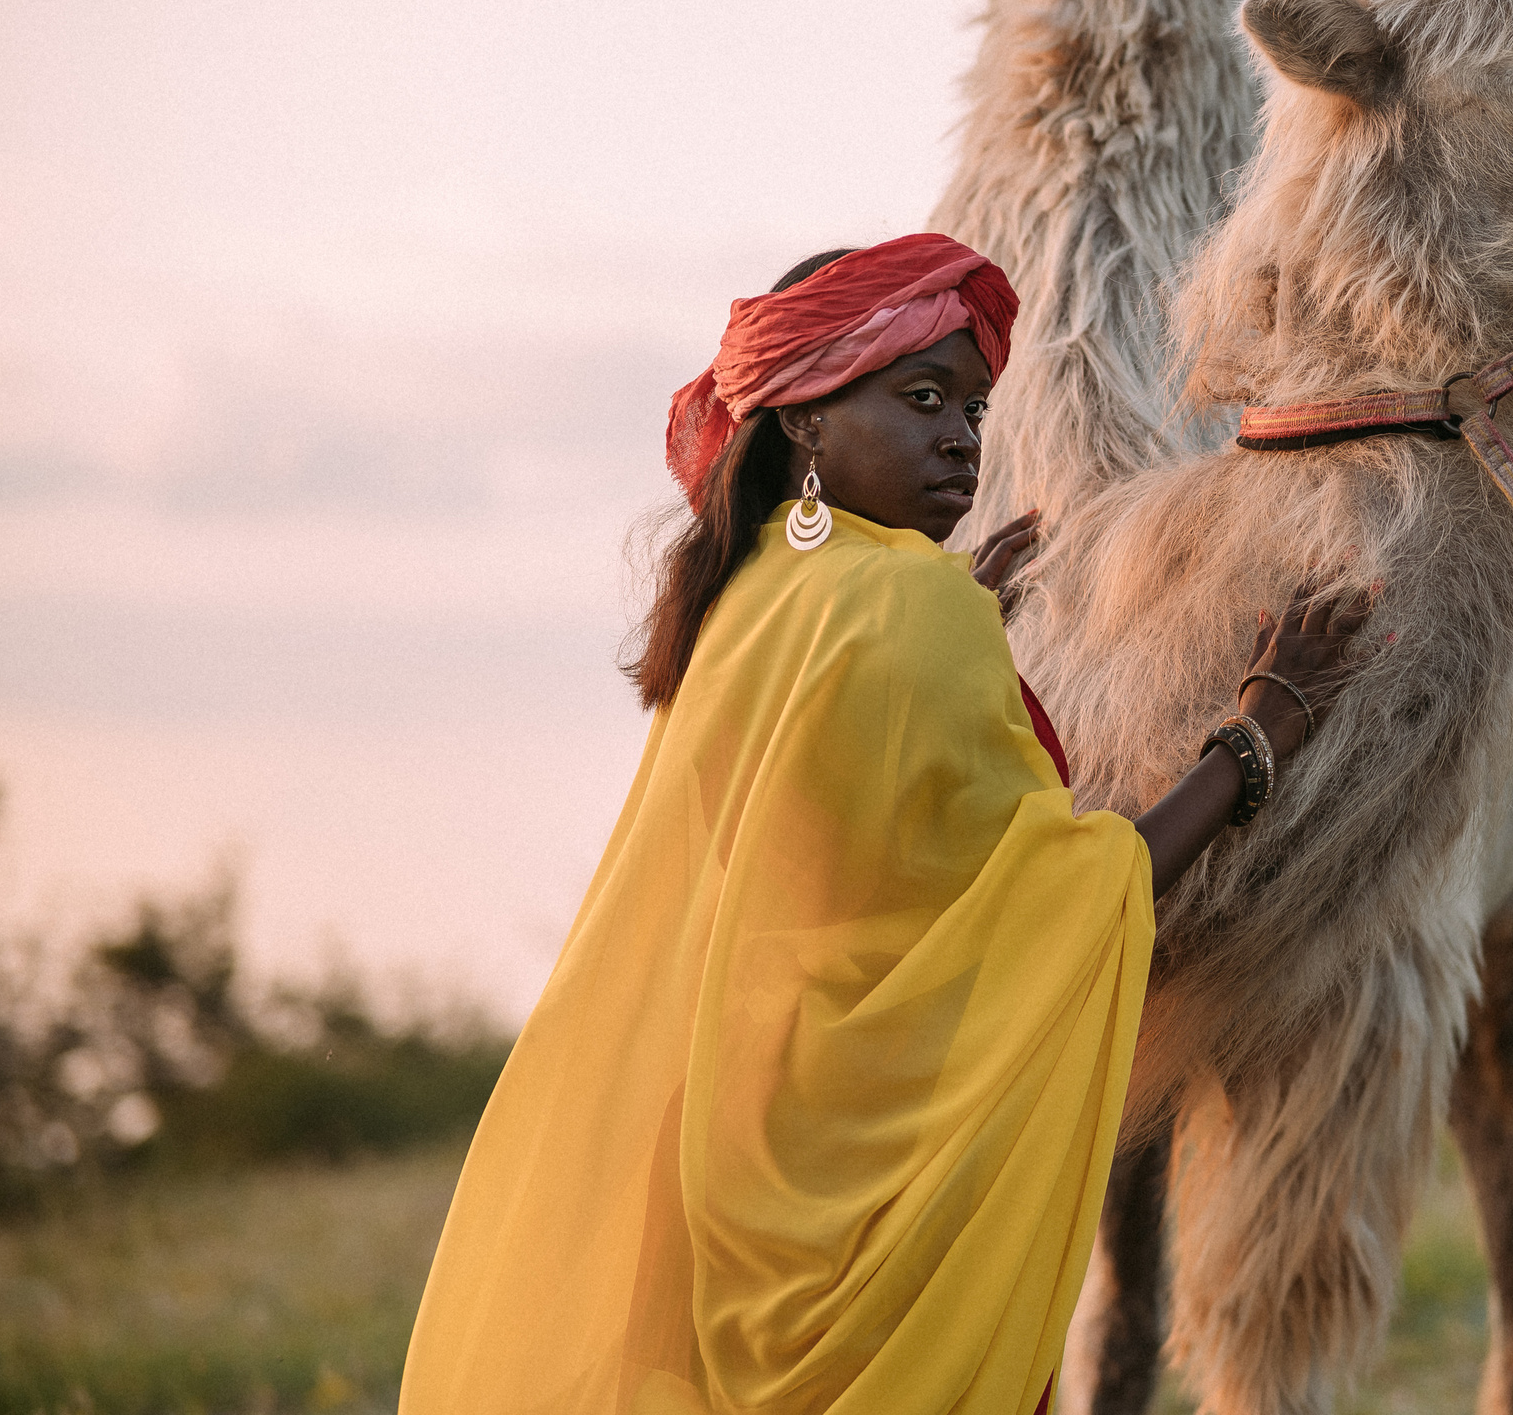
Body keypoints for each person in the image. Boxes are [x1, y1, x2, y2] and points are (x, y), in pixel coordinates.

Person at [399, 233, 1363, 1415]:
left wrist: (962, 625)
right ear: (804, 421)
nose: (963, 436)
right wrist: (1263, 727)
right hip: (862, 1171)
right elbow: (1064, 894)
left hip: (736, 1140)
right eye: (920, 400)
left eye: (973, 405)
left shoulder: (751, 591)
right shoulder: (904, 601)